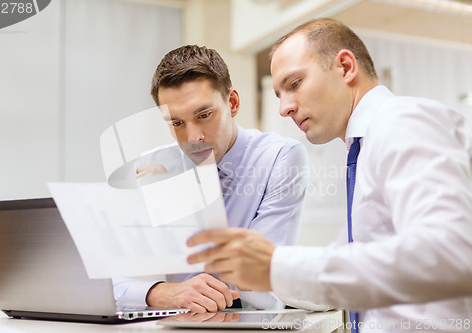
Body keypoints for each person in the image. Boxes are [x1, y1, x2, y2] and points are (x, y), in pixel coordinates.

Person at [187, 18, 472, 332]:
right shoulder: (364, 149)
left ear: (346, 67)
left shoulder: (403, 121)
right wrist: (262, 271)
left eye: (294, 84)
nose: (284, 108)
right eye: (279, 94)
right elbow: (349, 262)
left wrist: (276, 265)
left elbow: (449, 253)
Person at [113, 45, 309, 313]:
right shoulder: (151, 166)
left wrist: (183, 209)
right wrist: (161, 293)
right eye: (176, 123)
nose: (194, 138)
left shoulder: (280, 158)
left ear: (233, 103)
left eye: (204, 115)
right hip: (178, 325)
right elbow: (111, 279)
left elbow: (262, 289)